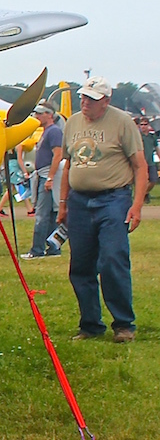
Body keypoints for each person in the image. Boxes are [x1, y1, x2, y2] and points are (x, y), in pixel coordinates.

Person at [57, 76, 148, 342]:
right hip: (79, 201)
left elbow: (140, 166)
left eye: (92, 99)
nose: (85, 103)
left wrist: (137, 205)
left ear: (106, 101)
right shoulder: (72, 123)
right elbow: (68, 165)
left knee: (112, 259)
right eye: (83, 97)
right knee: (81, 266)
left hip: (113, 199)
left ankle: (123, 324)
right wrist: (63, 204)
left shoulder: (122, 123)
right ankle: (90, 325)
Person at [21, 102, 64, 259]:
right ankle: (53, 247)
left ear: (50, 115)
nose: (37, 116)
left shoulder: (54, 132)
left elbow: (57, 155)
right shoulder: (47, 132)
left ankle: (37, 250)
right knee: (50, 214)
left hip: (47, 175)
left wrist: (50, 178)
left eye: (40, 113)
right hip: (43, 174)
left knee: (42, 215)